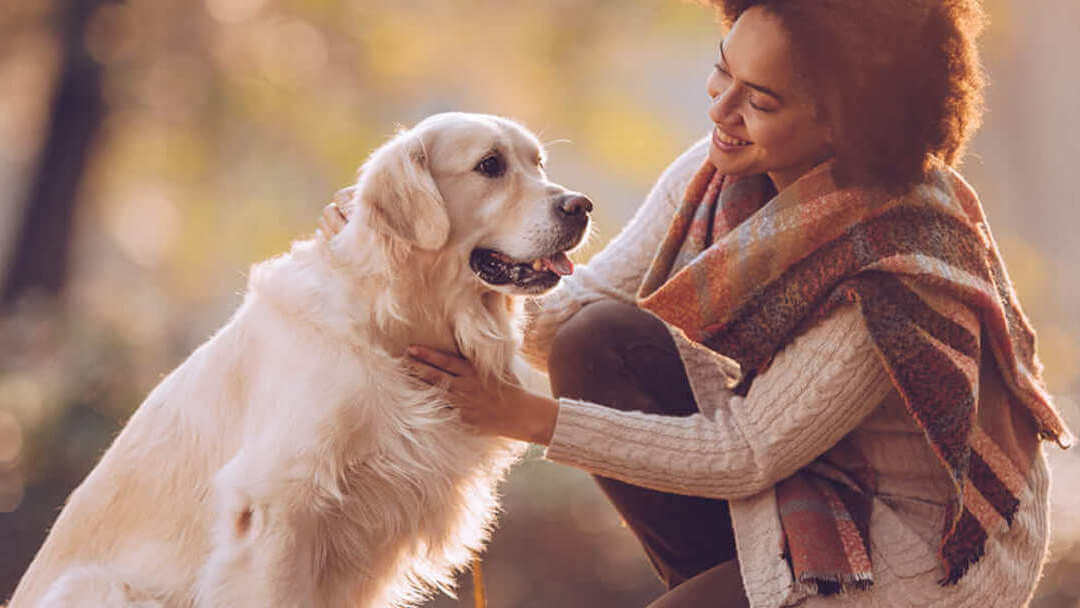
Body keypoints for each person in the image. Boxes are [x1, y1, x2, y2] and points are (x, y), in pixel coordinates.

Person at [321, 1, 1072, 606]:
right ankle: (725, 584)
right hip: (806, 482)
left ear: (846, 124)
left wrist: (517, 413)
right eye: (723, 72)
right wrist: (420, 248)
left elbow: (743, 453)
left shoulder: (895, 267)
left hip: (920, 554)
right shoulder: (723, 168)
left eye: (762, 100)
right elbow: (561, 317)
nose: (723, 108)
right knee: (599, 338)